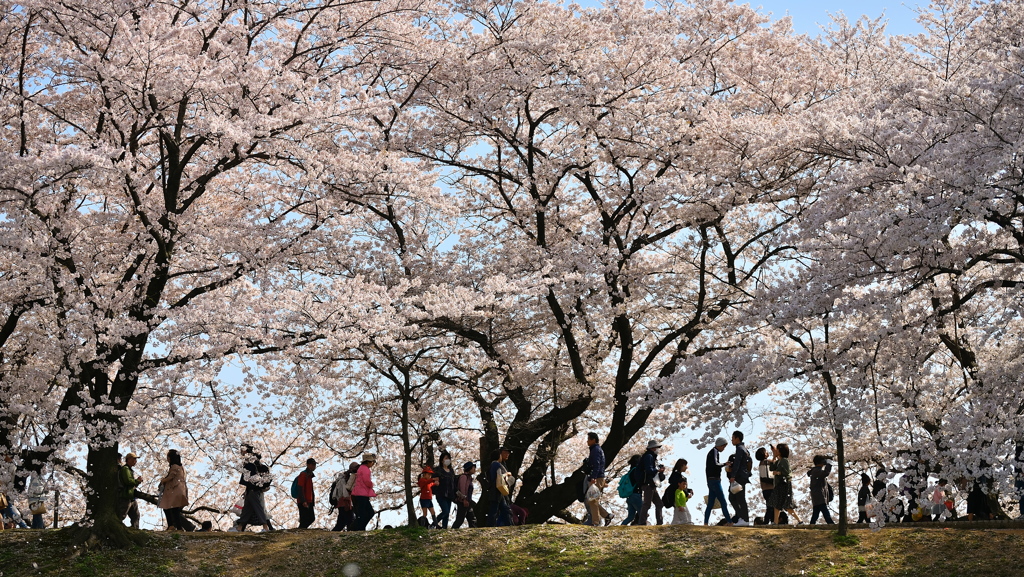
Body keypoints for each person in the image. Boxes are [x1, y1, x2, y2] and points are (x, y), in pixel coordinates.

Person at [233, 444, 272, 532]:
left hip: (254, 489)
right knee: (246, 510)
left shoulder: (251, 463)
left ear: (246, 451)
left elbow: (248, 478)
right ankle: (239, 528)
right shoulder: (253, 462)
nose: (241, 452)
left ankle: (265, 527)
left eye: (242, 450)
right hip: (252, 489)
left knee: (258, 508)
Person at [767, 443, 801, 524]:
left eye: (777, 450)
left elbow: (788, 472)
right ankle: (775, 522)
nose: (776, 451)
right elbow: (771, 468)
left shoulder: (784, 460)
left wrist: (778, 473)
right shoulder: (779, 461)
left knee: (787, 505)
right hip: (779, 485)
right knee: (777, 504)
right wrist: (774, 456)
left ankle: (800, 520)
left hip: (785, 485)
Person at [584, 432, 612, 526]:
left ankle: (596, 522)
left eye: (588, 439)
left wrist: (593, 477)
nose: (587, 441)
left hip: (597, 477)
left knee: (592, 500)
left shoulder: (595, 450)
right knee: (592, 500)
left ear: (593, 440)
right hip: (598, 476)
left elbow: (596, 465)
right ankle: (607, 516)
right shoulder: (596, 449)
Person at [158, 449, 190, 531]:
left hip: (173, 490)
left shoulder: (174, 467)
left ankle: (174, 526)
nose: (167, 459)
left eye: (168, 457)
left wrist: (163, 481)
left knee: (168, 507)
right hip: (181, 489)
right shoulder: (182, 468)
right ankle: (175, 526)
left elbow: (171, 476)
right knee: (172, 508)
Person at [704, 437, 732, 526]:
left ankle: (705, 522)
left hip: (710, 480)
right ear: (720, 445)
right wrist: (725, 464)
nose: (723, 449)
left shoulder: (711, 452)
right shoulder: (714, 451)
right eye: (723, 447)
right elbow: (716, 464)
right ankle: (729, 521)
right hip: (715, 480)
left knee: (710, 504)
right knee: (723, 501)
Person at [728, 431, 752, 526]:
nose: (732, 440)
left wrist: (733, 476)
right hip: (743, 476)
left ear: (737, 438)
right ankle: (742, 517)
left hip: (739, 476)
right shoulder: (744, 449)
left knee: (739, 498)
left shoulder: (739, 449)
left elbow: (737, 463)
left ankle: (744, 519)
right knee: (733, 497)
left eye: (733, 438)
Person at [637, 440, 664, 525]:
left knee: (659, 503)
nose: (658, 449)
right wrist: (657, 470)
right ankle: (642, 522)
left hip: (651, 484)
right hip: (648, 483)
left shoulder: (650, 456)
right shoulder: (649, 456)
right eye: (657, 447)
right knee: (647, 504)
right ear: (652, 448)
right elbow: (649, 470)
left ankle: (659, 522)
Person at [351, 453, 377, 531]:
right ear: (368, 462)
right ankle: (358, 528)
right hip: (362, 494)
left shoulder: (361, 468)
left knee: (363, 513)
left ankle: (358, 528)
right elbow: (367, 481)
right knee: (368, 512)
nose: (373, 463)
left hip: (359, 493)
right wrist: (371, 485)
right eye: (372, 462)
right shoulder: (365, 469)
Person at [488, 446, 513, 527]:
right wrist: (507, 474)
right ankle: (490, 525)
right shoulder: (496, 464)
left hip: (495, 489)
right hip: (497, 489)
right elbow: (499, 475)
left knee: (503, 508)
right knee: (494, 509)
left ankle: (509, 524)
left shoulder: (492, 465)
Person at [118, 452, 142, 530]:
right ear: (128, 459)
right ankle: (117, 529)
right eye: (134, 459)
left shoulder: (129, 469)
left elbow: (132, 484)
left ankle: (135, 529)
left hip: (131, 496)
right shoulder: (125, 469)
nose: (135, 461)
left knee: (136, 515)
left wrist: (137, 482)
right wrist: (137, 481)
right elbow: (128, 481)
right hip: (125, 495)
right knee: (122, 514)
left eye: (136, 459)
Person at [331, 462, 358, 531]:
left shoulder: (344, 477)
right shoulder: (349, 477)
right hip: (345, 502)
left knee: (341, 523)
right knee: (350, 521)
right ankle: (350, 537)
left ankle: (333, 534)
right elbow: (346, 492)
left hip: (342, 503)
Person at [807, 455, 834, 525]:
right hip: (819, 495)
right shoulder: (816, 471)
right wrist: (829, 464)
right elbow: (826, 473)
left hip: (817, 495)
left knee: (816, 513)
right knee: (825, 511)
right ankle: (831, 524)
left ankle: (811, 525)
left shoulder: (815, 470)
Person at [434, 451, 456, 529]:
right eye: (446, 458)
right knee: (445, 511)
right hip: (441, 493)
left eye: (449, 458)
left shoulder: (451, 471)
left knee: (447, 513)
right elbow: (433, 480)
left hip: (449, 494)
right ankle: (433, 524)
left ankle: (444, 528)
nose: (448, 460)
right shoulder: (437, 470)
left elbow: (453, 482)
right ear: (442, 460)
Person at [453, 462, 478, 529]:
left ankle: (473, 533)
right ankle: (453, 531)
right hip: (462, 502)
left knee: (472, 519)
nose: (474, 469)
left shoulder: (469, 478)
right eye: (473, 468)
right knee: (460, 520)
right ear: (469, 469)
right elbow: (462, 489)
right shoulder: (464, 477)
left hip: (467, 501)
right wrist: (464, 499)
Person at [756, 448, 777, 524]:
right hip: (770, 487)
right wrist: (775, 453)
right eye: (766, 451)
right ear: (764, 454)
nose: (767, 453)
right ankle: (767, 522)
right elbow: (775, 462)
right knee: (771, 506)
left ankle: (769, 521)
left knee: (769, 506)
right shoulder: (766, 462)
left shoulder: (761, 463)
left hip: (765, 489)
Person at [620, 454, 643, 525]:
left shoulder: (630, 471)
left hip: (630, 496)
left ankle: (621, 527)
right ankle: (642, 527)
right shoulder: (636, 471)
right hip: (636, 495)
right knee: (642, 514)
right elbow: (640, 481)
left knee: (630, 517)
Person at [295, 458, 316, 529]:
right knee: (305, 519)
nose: (314, 466)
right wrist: (303, 501)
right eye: (312, 464)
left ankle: (301, 530)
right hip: (303, 501)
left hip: (309, 501)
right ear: (308, 465)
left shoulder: (309, 475)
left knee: (311, 518)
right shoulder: (303, 474)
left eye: (315, 464)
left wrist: (312, 502)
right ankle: (300, 531)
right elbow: (300, 488)